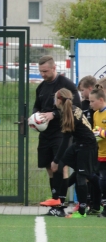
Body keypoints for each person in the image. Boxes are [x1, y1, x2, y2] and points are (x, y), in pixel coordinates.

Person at [31, 55, 81, 217]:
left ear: (54, 68)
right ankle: (55, 204)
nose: (42, 74)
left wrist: (54, 114)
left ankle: (61, 206)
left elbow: (76, 107)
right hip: (45, 134)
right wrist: (35, 120)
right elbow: (36, 108)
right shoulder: (41, 87)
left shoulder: (67, 85)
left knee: (60, 166)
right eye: (40, 71)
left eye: (45, 71)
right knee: (49, 167)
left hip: (62, 132)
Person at [49, 88, 97, 218]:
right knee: (64, 166)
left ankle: (82, 210)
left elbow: (65, 140)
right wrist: (58, 161)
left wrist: (55, 160)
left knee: (81, 176)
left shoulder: (68, 113)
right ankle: (59, 200)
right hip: (79, 144)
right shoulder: (71, 108)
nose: (54, 101)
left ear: (59, 99)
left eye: (55, 98)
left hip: (87, 145)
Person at [68, 75, 101, 215]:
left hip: (93, 147)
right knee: (83, 174)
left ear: (90, 88)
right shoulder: (82, 106)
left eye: (82, 90)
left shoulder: (97, 108)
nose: (81, 93)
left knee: (87, 175)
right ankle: (85, 204)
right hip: (81, 145)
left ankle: (91, 204)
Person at [89, 84, 106, 218]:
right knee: (101, 182)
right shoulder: (95, 114)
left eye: (92, 101)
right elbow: (96, 131)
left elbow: (100, 132)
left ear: (101, 100)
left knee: (103, 181)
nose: (90, 104)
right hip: (100, 153)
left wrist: (102, 133)